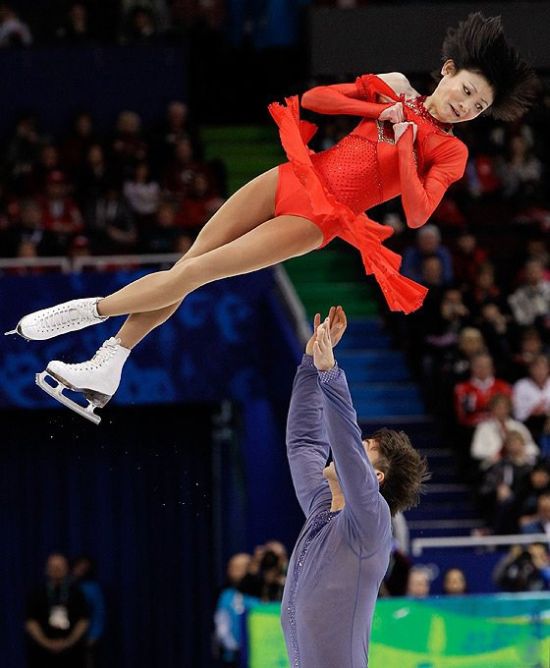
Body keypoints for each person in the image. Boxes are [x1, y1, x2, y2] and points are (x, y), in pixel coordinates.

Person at [8, 14, 538, 423]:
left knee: (196, 274)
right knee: (187, 263)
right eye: (467, 91)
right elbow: (315, 100)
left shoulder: (450, 152)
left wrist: (404, 145)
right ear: (447, 71)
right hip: (292, 175)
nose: (466, 107)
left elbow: (419, 213)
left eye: (478, 108)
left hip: (320, 218)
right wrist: (379, 111)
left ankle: (89, 312)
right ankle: (110, 364)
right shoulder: (396, 84)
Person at [282, 306, 428, 667]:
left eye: (367, 450)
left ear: (375, 478)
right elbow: (304, 443)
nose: (353, 448)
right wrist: (308, 363)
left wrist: (329, 373)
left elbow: (345, 444)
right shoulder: (322, 507)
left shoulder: (371, 521)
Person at [25, 553, 90, 668]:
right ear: (46, 569)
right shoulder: (37, 593)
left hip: (72, 653)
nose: (56, 570)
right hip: (42, 654)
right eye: (53, 567)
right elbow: (30, 622)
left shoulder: (77, 593)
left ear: (66, 569)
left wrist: (67, 642)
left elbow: (83, 621)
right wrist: (47, 643)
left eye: (59, 567)